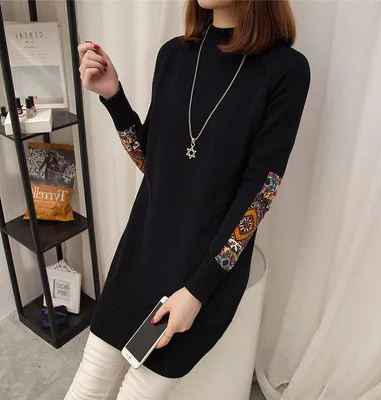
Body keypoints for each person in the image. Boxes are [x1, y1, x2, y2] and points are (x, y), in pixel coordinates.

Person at [65, 0, 311, 398]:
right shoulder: (174, 56)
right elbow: (153, 164)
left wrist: (198, 290)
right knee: (86, 385)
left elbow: (260, 194)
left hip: (205, 268)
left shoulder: (286, 70)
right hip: (142, 253)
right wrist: (113, 97)